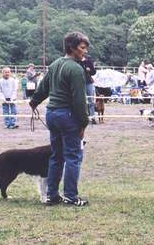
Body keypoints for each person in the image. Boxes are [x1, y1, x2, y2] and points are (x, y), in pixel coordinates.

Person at [30, 31, 90, 207]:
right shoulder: (76, 69)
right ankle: (71, 197)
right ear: (72, 47)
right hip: (67, 116)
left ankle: (52, 195)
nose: (85, 51)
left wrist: (34, 102)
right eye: (82, 47)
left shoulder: (55, 64)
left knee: (57, 156)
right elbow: (79, 100)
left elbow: (43, 87)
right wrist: (83, 122)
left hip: (51, 114)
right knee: (73, 156)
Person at [79, 56, 97, 124]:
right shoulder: (76, 61)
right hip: (79, 83)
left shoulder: (88, 61)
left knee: (91, 101)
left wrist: (90, 70)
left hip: (88, 83)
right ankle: (82, 118)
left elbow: (94, 72)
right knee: (81, 101)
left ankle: (92, 118)